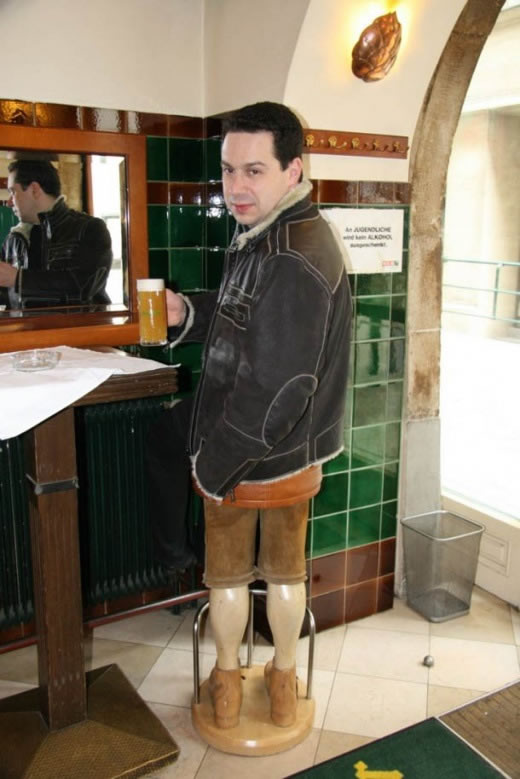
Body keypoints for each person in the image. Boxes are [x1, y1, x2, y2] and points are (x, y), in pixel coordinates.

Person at [166, 102, 352, 730]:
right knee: (283, 573)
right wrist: (189, 312)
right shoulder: (273, 231)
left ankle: (227, 679)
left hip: (250, 453)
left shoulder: (290, 252)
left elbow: (278, 388)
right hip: (288, 452)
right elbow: (246, 316)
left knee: (227, 576)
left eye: (254, 171)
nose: (236, 187)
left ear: (293, 169)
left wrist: (212, 466)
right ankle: (281, 681)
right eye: (228, 170)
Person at [0, 159, 112, 309]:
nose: (9, 202)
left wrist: (18, 279)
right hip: (25, 326)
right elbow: (6, 299)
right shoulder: (12, 241)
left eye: (13, 192)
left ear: (34, 189)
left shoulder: (89, 228)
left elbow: (84, 286)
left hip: (78, 325)